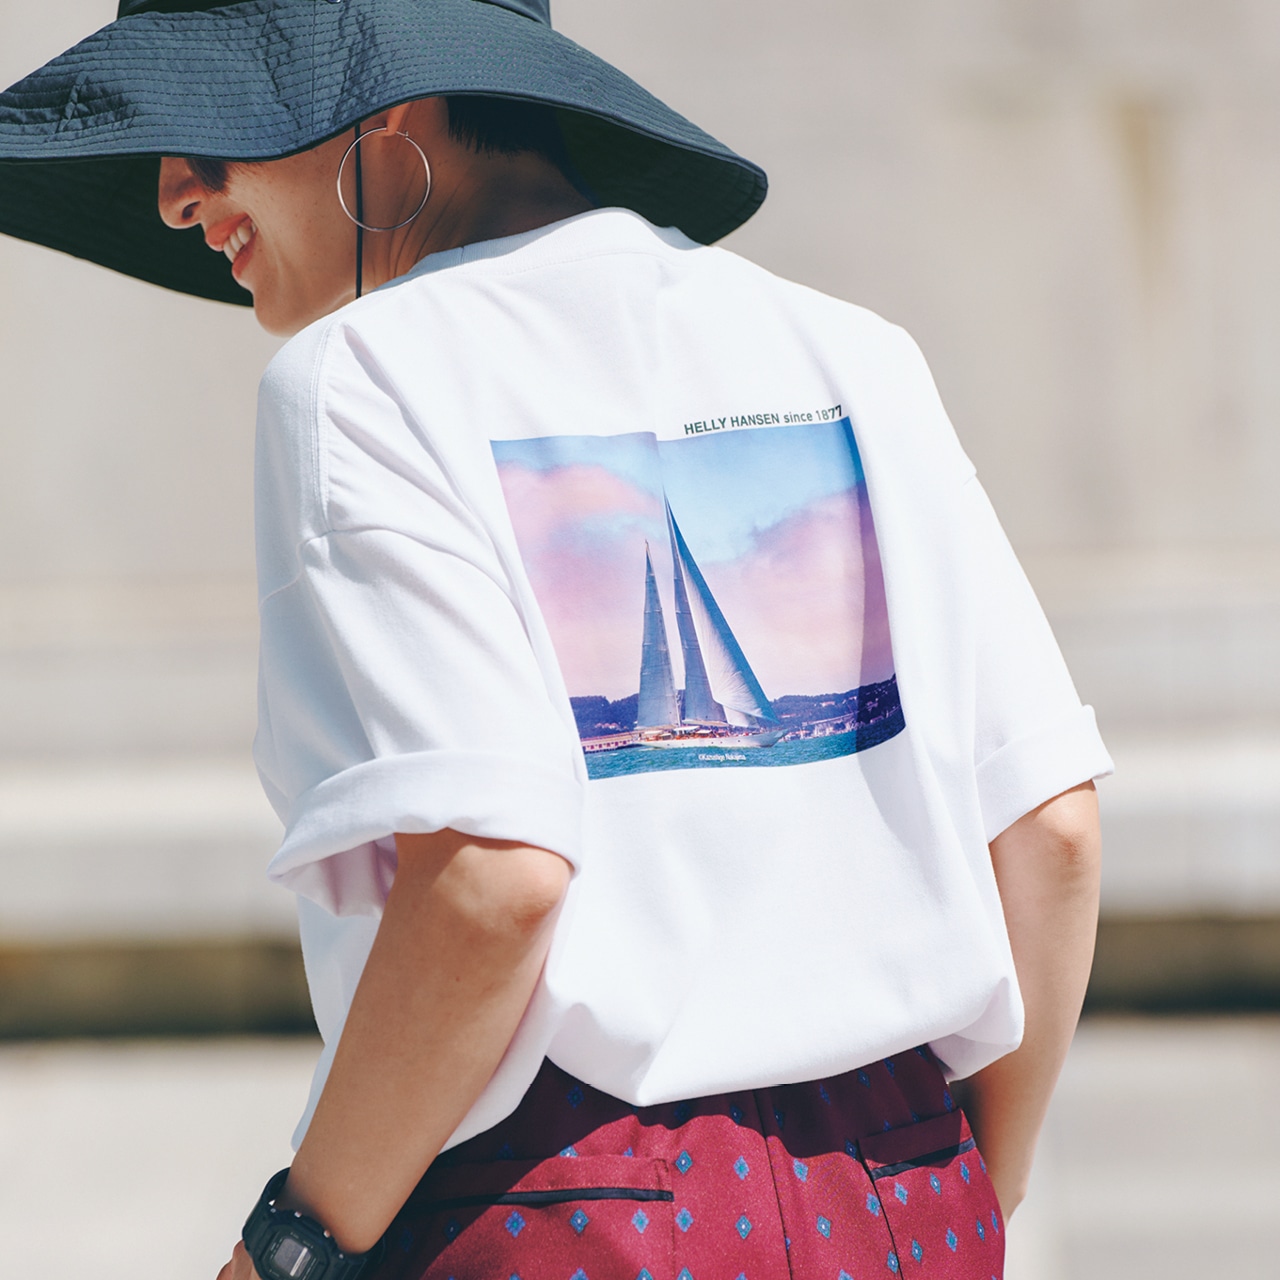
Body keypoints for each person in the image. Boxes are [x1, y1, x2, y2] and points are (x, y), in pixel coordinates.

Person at [0, 2, 1111, 1278]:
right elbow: (1050, 826)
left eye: (215, 126)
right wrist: (971, 1189)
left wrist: (291, 1246)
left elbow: (493, 879)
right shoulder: (850, 348)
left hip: (566, 1210)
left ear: (392, 112)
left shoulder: (357, 379)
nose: (173, 193)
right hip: (907, 1188)